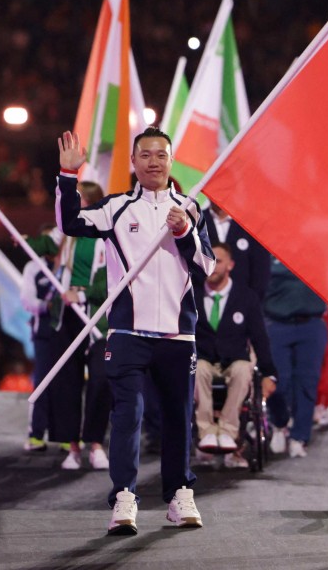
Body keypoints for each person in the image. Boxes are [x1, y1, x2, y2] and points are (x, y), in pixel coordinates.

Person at [56, 126, 215, 535]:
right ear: (133, 162)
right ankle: (124, 498)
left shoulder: (192, 208)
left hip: (179, 334)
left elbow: (207, 269)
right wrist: (68, 176)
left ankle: (180, 494)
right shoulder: (116, 208)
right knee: (128, 414)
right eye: (145, 155)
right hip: (127, 332)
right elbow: (71, 222)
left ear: (171, 160)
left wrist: (184, 233)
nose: (153, 161)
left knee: (179, 418)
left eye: (161, 154)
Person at [20, 215, 110, 471]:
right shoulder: (64, 233)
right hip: (66, 318)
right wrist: (24, 241)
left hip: (97, 321)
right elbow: (43, 246)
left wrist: (82, 293)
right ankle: (72, 447)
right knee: (66, 384)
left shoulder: (106, 235)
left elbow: (111, 279)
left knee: (101, 381)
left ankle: (94, 443)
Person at [194, 242, 277, 468]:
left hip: (234, 360)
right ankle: (206, 431)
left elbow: (260, 339)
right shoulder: (192, 294)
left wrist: (270, 374)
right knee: (196, 368)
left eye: (218, 261)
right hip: (204, 360)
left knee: (243, 368)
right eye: (208, 261)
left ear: (230, 265)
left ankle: (229, 430)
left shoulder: (246, 297)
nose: (212, 267)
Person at [264, 257, 328, 459]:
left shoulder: (315, 249)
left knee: (307, 382)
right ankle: (280, 422)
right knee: (277, 381)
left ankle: (299, 436)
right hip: (276, 323)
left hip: (311, 323)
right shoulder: (268, 247)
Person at [201, 202, 271, 300]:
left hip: (242, 302)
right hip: (201, 301)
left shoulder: (251, 224)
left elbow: (261, 271)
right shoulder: (196, 220)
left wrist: (252, 304)